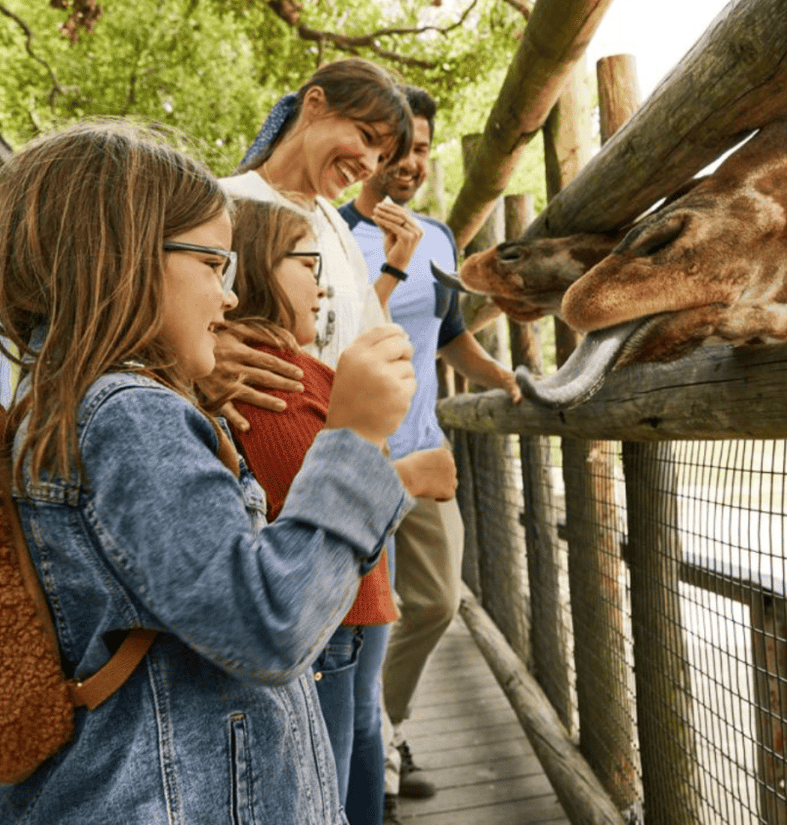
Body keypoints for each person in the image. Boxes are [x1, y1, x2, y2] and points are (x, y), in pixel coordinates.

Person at [0, 119, 416, 825]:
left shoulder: (62, 406)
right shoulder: (128, 416)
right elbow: (268, 622)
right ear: (122, 258)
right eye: (211, 265)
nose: (229, 299)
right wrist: (353, 436)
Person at [224, 197, 456, 824]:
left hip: (352, 607)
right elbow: (307, 497)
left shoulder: (288, 366)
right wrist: (409, 473)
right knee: (330, 770)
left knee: (358, 737)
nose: (324, 287)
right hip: (331, 620)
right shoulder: (268, 384)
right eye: (306, 264)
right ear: (249, 272)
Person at [338, 86, 521, 823]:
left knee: (439, 601)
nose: (411, 163)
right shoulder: (329, 231)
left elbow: (447, 335)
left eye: (422, 149)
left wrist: (503, 378)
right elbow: (335, 341)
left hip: (426, 447)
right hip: (356, 460)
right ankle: (370, 747)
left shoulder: (439, 236)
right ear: (371, 148)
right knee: (365, 617)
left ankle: (387, 721)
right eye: (399, 148)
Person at [207, 58, 424, 429]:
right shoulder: (222, 205)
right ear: (314, 104)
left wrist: (394, 268)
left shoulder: (338, 231)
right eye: (367, 138)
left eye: (382, 157)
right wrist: (204, 360)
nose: (370, 166)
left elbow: (359, 337)